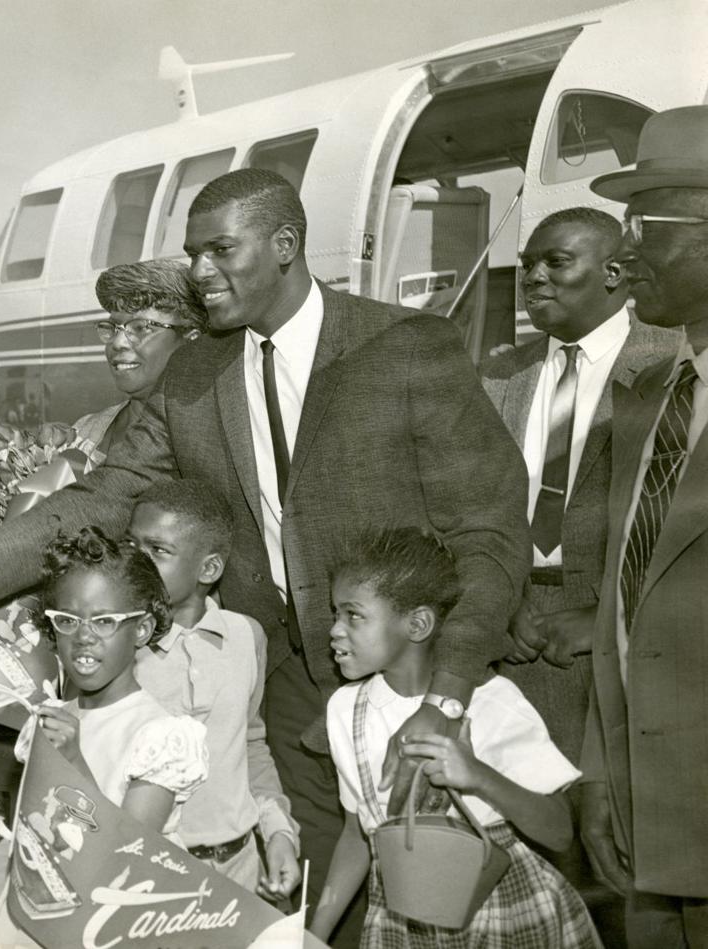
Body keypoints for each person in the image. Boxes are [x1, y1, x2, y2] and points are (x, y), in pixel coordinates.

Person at [0, 168, 531, 940]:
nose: (198, 272)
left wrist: (447, 691)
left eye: (221, 249)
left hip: (406, 679)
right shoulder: (197, 370)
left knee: (436, 901)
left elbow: (489, 534)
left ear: (286, 245)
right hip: (284, 689)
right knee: (314, 896)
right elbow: (110, 491)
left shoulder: (405, 347)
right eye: (192, 253)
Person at [309, 528, 599, 948]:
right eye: (335, 613)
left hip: (502, 917)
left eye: (353, 615)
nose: (335, 630)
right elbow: (359, 833)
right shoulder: (343, 710)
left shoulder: (492, 700)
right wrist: (315, 934)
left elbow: (559, 832)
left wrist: (478, 776)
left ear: (419, 624)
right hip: (399, 919)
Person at [580, 104, 708, 948]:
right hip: (648, 827)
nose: (621, 255)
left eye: (645, 225)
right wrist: (602, 774)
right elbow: (621, 608)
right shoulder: (650, 399)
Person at [482, 207, 675, 765]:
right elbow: (463, 509)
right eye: (526, 266)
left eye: (555, 262)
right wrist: (500, 604)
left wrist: (611, 618)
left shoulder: (670, 365)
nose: (533, 277)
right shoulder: (496, 377)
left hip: (628, 647)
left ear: (614, 273)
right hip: (514, 642)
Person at [0, 526, 209, 948]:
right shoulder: (48, 721)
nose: (83, 636)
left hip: (108, 923)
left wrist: (74, 764)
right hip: (38, 912)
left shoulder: (160, 734)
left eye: (104, 621)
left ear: (140, 630)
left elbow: (130, 854)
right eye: (67, 621)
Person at [126, 479, 300, 897]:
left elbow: (251, 745)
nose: (134, 563)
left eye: (158, 551)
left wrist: (278, 833)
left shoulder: (246, 637)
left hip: (239, 868)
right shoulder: (117, 645)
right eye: (131, 547)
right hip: (150, 873)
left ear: (209, 569)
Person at [73, 259, 206, 460]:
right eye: (113, 328)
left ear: (191, 340)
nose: (117, 343)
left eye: (142, 327)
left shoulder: (207, 441)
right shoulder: (84, 432)